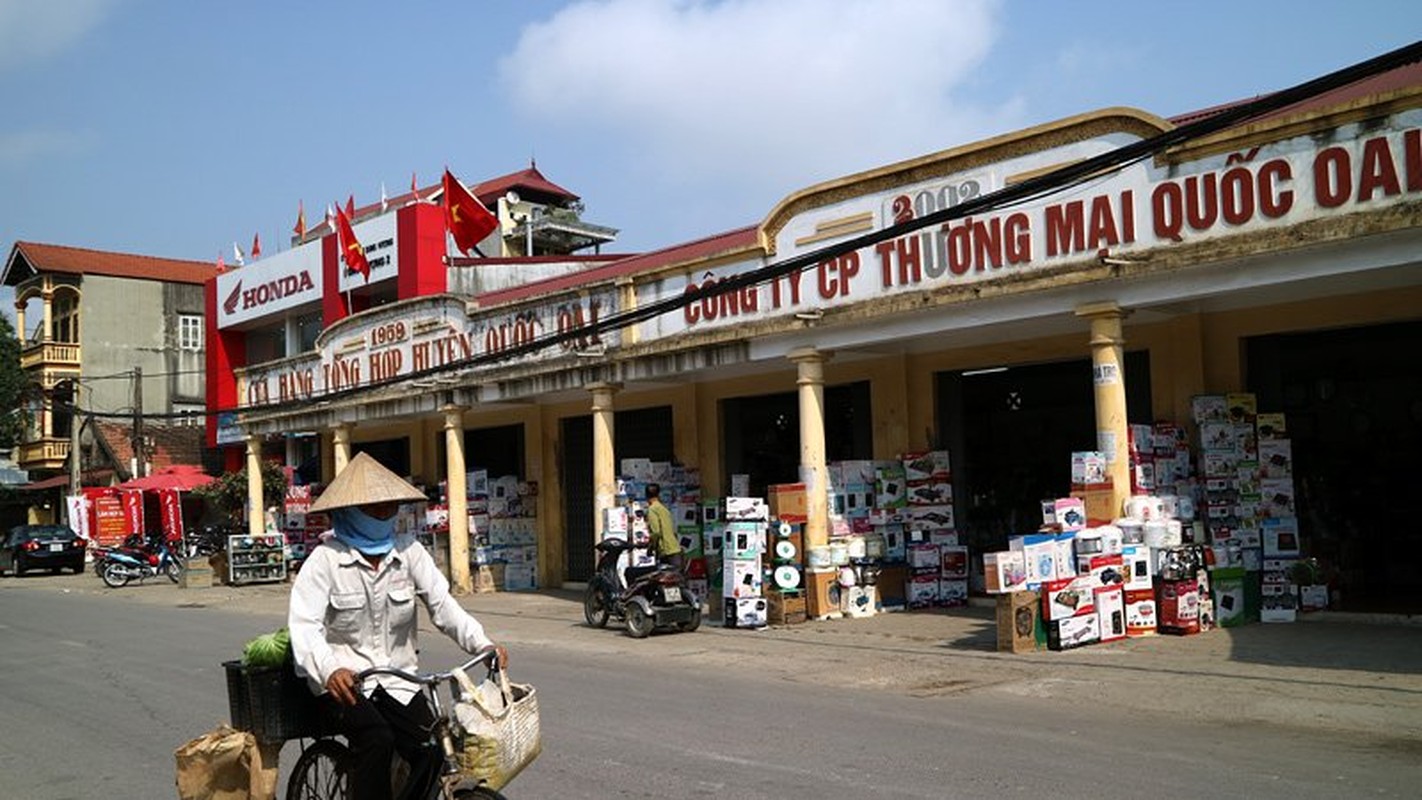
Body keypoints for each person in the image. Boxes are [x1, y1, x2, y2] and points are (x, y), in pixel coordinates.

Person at [289, 452, 507, 800]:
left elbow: (443, 605)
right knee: (377, 738)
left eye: (389, 506)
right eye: (372, 507)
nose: (383, 513)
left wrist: (482, 644)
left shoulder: (409, 552)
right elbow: (304, 627)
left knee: (434, 746)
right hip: (345, 686)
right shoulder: (325, 561)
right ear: (347, 511)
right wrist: (330, 669)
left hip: (398, 681)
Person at [644, 482, 683, 572]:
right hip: (674, 548)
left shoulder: (652, 509)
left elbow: (656, 532)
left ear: (646, 495)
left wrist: (651, 547)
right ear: (658, 494)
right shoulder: (663, 508)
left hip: (666, 550)